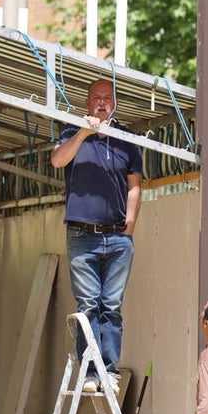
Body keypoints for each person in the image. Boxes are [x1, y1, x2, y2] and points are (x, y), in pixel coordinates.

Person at [50, 79, 142, 392]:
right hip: (82, 235)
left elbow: (135, 185)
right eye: (96, 98)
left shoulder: (126, 139)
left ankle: (109, 370)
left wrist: (129, 227)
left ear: (115, 103)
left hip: (118, 238)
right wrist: (84, 132)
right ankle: (90, 372)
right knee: (89, 305)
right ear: (87, 103)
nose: (102, 103)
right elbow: (58, 160)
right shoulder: (70, 131)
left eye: (107, 98)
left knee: (111, 306)